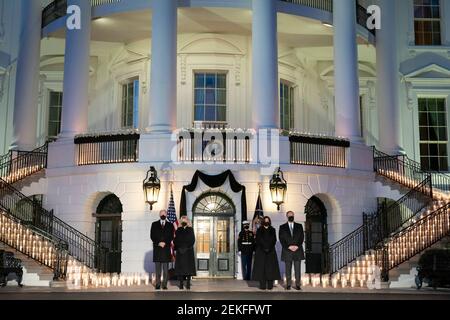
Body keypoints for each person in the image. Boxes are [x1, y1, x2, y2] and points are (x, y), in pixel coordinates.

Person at [252, 216, 281, 290]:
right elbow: (258, 240)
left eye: (268, 220)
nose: (266, 221)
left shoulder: (273, 229)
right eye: (265, 220)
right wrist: (264, 248)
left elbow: (274, 240)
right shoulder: (259, 229)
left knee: (270, 269)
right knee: (262, 268)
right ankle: (262, 285)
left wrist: (269, 248)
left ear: (269, 221)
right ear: (263, 221)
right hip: (261, 251)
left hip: (271, 252)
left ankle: (270, 285)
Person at [279, 211, 305, 291]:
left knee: (297, 269)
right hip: (287, 251)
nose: (291, 216)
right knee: (288, 269)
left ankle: (297, 285)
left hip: (298, 250)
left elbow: (301, 237)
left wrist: (297, 246)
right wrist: (289, 246)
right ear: (287, 216)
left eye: (292, 215)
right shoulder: (282, 227)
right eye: (289, 215)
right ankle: (288, 285)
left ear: (294, 216)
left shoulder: (299, 226)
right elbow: (281, 239)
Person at [150, 210, 175, 290]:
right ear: (159, 215)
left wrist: (165, 243)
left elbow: (171, 236)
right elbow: (152, 236)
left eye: (164, 214)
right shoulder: (154, 224)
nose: (163, 215)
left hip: (166, 249)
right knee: (158, 270)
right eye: (161, 214)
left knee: (165, 270)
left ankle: (164, 284)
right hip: (157, 249)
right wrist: (158, 243)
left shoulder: (170, 225)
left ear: (166, 214)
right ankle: (157, 284)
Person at [174, 215, 196, 290]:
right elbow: (175, 240)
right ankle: (180, 284)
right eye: (182, 220)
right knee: (180, 269)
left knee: (188, 269)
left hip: (188, 251)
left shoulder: (190, 229)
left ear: (187, 221)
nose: (184, 221)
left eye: (185, 220)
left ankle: (188, 283)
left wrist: (186, 247)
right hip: (180, 251)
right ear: (181, 221)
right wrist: (179, 247)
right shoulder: (178, 230)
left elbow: (192, 240)